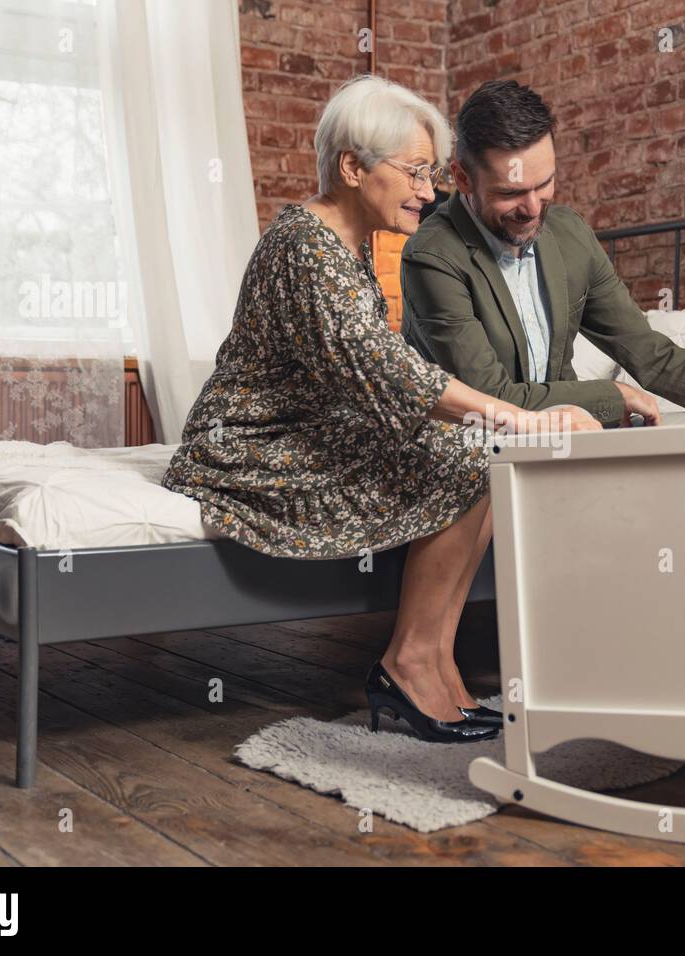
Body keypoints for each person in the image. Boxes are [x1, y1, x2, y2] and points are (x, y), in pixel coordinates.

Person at [161, 75, 600, 744]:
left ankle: (438, 663)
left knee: (480, 452)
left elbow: (372, 378)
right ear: (351, 167)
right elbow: (392, 373)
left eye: (430, 173)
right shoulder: (306, 248)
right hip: (246, 452)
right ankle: (412, 663)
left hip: (304, 434)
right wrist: (530, 418)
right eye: (416, 172)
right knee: (476, 448)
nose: (429, 190)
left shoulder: (344, 239)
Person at [400, 80, 685, 425]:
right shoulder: (432, 256)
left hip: (563, 447)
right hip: (469, 457)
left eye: (544, 184)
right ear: (461, 178)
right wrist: (613, 397)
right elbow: (491, 399)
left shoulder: (568, 233)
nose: (533, 209)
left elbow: (645, 350)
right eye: (511, 192)